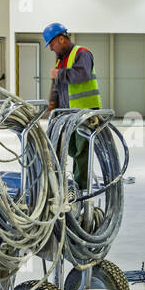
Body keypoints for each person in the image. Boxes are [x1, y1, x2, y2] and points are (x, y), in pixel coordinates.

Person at [42, 22, 101, 191]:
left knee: (82, 151)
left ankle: (81, 187)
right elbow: (56, 86)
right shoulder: (61, 60)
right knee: (72, 149)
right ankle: (72, 183)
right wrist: (52, 106)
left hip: (85, 111)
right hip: (69, 114)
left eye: (52, 44)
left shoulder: (82, 53)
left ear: (61, 39)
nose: (51, 49)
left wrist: (59, 74)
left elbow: (82, 74)